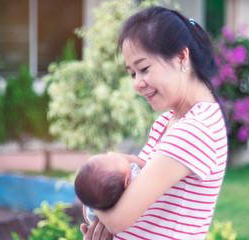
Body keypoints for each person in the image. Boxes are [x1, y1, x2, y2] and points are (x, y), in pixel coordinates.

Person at [81, 6, 228, 240]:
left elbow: (118, 219)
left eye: (144, 69)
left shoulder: (196, 130)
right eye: (132, 73)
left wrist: (90, 190)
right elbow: (135, 185)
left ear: (181, 57)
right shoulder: (167, 122)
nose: (137, 83)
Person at [75, 153, 141, 224]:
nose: (113, 155)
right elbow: (148, 168)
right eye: (116, 160)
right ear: (127, 182)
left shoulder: (95, 209)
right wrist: (131, 158)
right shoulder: (135, 178)